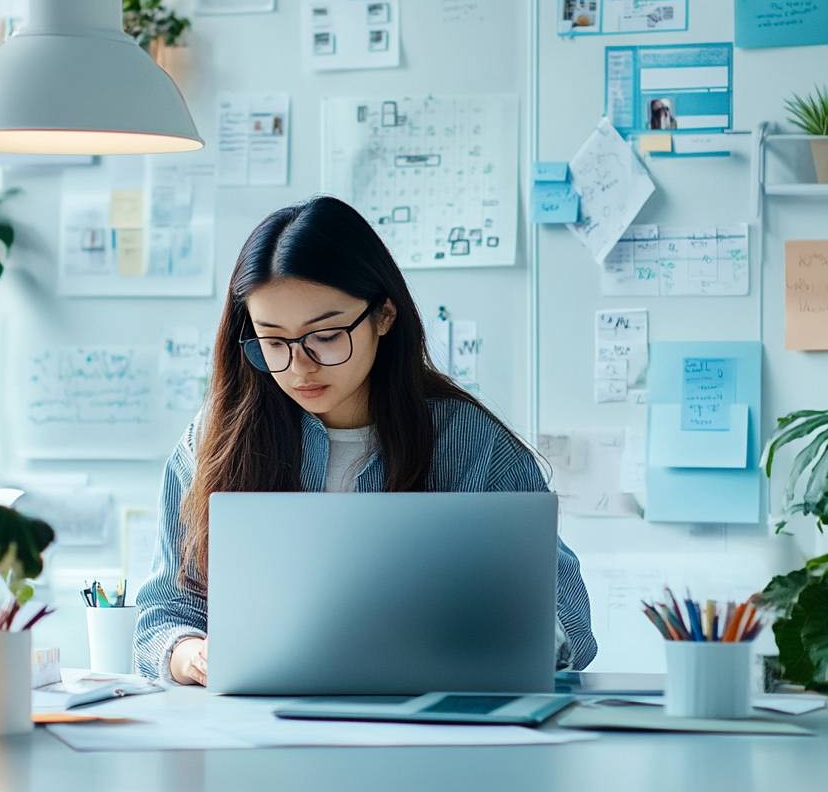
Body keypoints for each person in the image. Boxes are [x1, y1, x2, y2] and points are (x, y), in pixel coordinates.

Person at [134, 196, 597, 685]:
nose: (299, 366)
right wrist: (189, 654)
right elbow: (162, 613)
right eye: (273, 341)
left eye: (326, 336)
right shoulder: (215, 439)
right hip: (259, 730)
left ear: (384, 316)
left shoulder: (471, 444)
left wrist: (483, 632)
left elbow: (573, 632)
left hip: (425, 730)